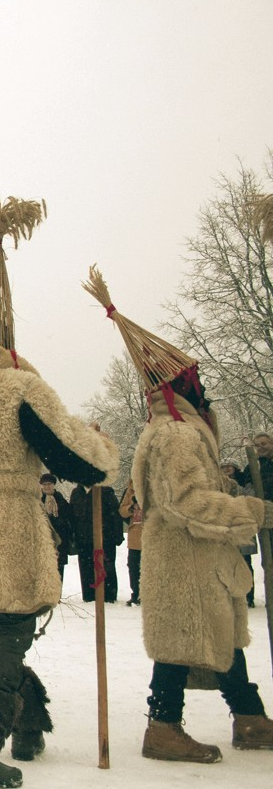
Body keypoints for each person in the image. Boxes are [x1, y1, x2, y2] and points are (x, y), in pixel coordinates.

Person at [0, 201, 119, 787]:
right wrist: (101, 451)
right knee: (11, 631)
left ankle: (25, 725)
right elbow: (72, 456)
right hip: (7, 523)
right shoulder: (17, 386)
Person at [85, 264, 273, 762]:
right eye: (198, 387)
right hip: (186, 559)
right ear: (183, 392)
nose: (205, 395)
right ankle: (163, 727)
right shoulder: (175, 436)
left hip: (198, 560)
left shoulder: (180, 433)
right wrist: (250, 510)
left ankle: (249, 717)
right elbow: (185, 502)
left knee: (217, 635)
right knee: (183, 640)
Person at [68, 482, 123, 602]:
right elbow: (72, 516)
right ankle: (89, 596)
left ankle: (109, 596)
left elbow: (116, 515)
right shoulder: (77, 493)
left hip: (105, 539)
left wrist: (117, 536)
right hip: (84, 539)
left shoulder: (105, 491)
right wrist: (73, 536)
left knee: (106, 568)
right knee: (86, 568)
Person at [223, 462, 258, 608]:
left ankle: (249, 596)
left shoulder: (244, 480)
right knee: (228, 563)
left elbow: (248, 496)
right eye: (223, 467)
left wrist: (233, 486)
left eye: (229, 466)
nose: (226, 470)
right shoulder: (218, 482)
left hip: (243, 525)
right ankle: (233, 595)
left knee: (245, 562)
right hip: (226, 527)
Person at [39, 474, 73, 583]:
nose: (47, 487)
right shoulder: (38, 501)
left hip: (60, 540)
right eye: (44, 484)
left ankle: (57, 595)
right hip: (43, 539)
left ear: (53, 485)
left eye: (49, 484)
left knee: (59, 569)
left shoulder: (60, 500)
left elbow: (68, 518)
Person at [118, 479, 144, 606]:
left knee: (148, 567)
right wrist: (131, 508)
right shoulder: (130, 490)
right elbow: (121, 511)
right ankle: (136, 593)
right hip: (135, 535)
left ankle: (147, 594)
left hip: (150, 534)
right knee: (133, 566)